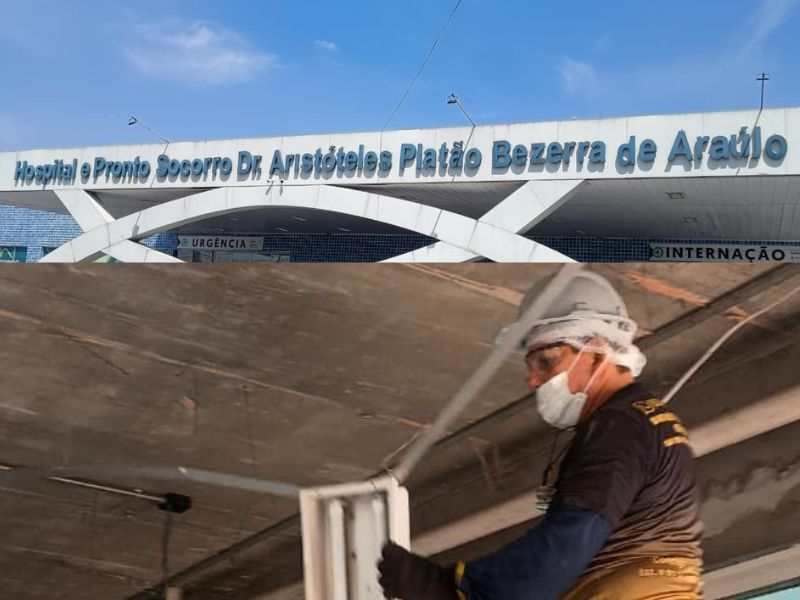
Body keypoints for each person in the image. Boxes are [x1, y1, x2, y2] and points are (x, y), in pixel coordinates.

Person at [378, 271, 703, 600]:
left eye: (546, 362)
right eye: (531, 366)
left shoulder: (620, 427)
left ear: (595, 354)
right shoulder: (645, 419)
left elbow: (566, 545)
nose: (533, 381)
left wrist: (452, 590)